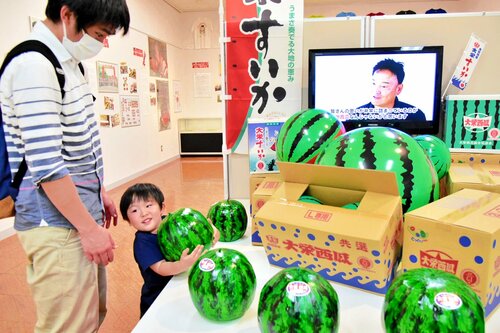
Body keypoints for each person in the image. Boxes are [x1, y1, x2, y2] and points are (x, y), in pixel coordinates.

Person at [0, 1, 130, 332]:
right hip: (55, 223)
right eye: (100, 33)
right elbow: (46, 164)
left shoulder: (69, 64)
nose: (102, 44)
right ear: (67, 14)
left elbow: (79, 142)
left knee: (88, 316)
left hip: (76, 213)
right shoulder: (35, 64)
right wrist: (88, 229)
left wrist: (98, 191)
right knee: (68, 326)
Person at [119, 183, 220, 317]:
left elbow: (200, 228)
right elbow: (161, 268)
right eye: (134, 211)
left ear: (162, 208)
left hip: (178, 285)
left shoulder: (170, 221)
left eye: (148, 205)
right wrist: (182, 265)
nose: (144, 213)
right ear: (128, 220)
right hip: (158, 297)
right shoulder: (142, 243)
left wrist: (212, 232)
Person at [357, 58, 426, 121]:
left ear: (398, 89)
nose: (376, 91)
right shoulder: (356, 115)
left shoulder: (415, 116)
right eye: (373, 83)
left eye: (383, 86)